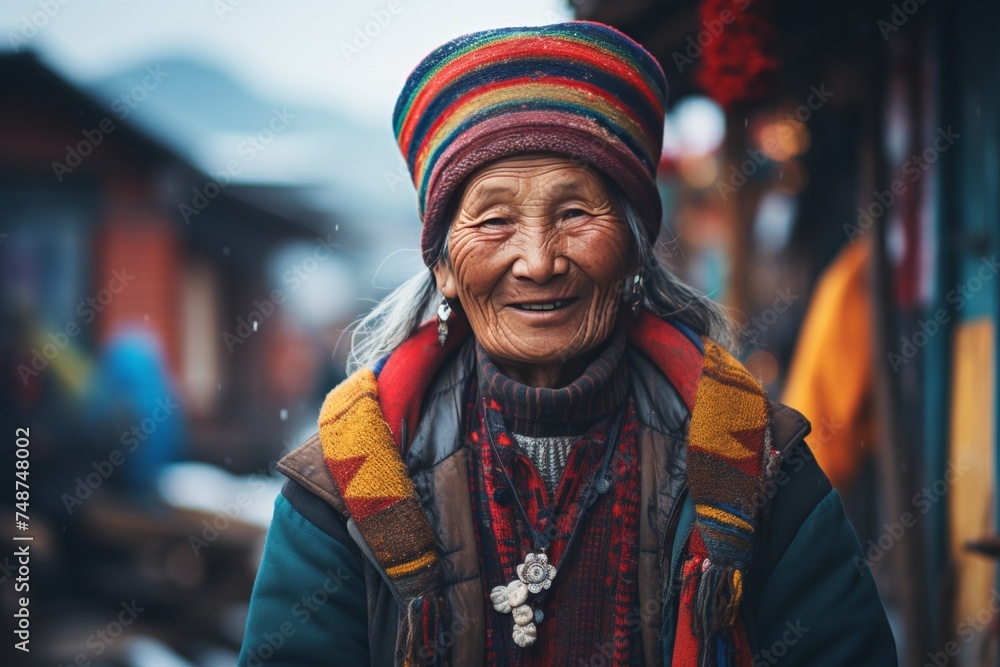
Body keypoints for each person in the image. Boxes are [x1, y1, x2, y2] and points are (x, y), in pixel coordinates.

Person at [239, 21, 897, 667]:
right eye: (494, 220)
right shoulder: (347, 480)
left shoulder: (756, 461)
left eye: (575, 213)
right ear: (442, 265)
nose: (538, 261)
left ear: (636, 246)